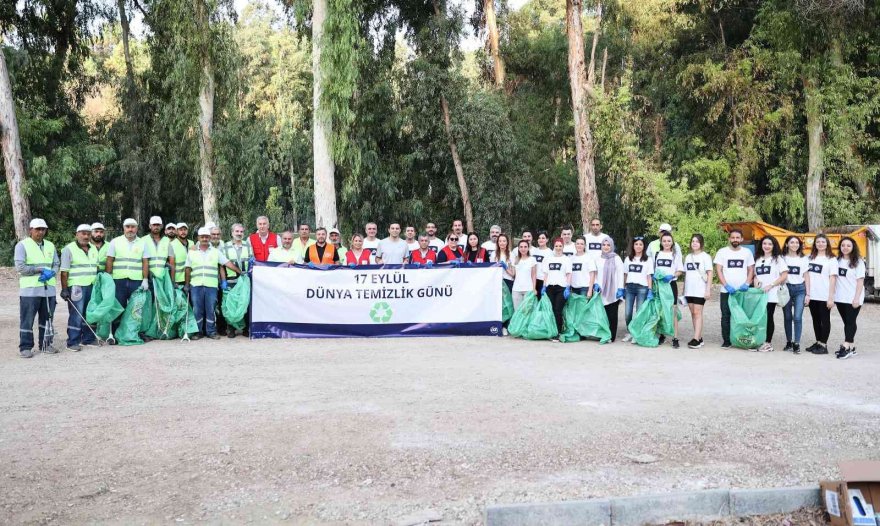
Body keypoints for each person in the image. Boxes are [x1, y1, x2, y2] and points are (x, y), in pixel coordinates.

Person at [184, 227, 241, 340]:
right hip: (196, 285)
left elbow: (227, 263)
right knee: (197, 309)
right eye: (202, 237)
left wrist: (240, 272)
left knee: (211, 309)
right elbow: (187, 269)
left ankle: (211, 331)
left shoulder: (216, 252)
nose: (204, 239)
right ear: (198, 238)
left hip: (211, 285)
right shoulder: (192, 252)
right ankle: (198, 332)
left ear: (209, 238)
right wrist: (187, 284)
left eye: (206, 237)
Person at [15, 218, 61, 358]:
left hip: (48, 290)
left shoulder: (50, 245)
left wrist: (52, 272)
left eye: (43, 229)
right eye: (37, 229)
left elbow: (56, 263)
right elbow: (20, 267)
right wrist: (40, 270)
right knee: (27, 320)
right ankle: (25, 347)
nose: (40, 232)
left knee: (47, 319)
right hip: (30, 290)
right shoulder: (22, 245)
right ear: (31, 230)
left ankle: (46, 344)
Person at [714, 228, 756, 349]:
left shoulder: (747, 252)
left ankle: (743, 339)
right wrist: (726, 285)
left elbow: (751, 269)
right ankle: (727, 340)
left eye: (737, 238)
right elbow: (719, 270)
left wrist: (747, 283)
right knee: (726, 315)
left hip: (742, 291)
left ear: (742, 239)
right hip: (726, 291)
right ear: (729, 239)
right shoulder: (722, 252)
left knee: (742, 315)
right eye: (733, 237)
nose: (735, 240)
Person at [60, 224, 99, 352]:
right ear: (76, 234)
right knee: (76, 314)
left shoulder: (93, 249)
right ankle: (72, 342)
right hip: (76, 286)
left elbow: (95, 268)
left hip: (91, 285)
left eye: (88, 234)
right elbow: (64, 272)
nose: (86, 236)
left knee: (90, 312)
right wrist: (65, 289)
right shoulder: (68, 249)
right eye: (83, 233)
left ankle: (88, 339)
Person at [105, 218, 150, 323]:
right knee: (118, 307)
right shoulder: (115, 242)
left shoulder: (142, 243)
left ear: (137, 229)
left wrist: (145, 279)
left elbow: (145, 262)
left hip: (136, 280)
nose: (130, 229)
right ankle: (116, 333)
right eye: (128, 227)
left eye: (133, 227)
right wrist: (108, 277)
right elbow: (110, 260)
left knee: (136, 308)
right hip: (118, 280)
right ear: (123, 228)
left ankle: (134, 333)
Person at [753, 236, 789, 353]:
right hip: (759, 293)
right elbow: (755, 274)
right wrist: (755, 280)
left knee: (768, 317)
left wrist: (771, 285)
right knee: (759, 317)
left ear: (774, 246)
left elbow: (784, 275)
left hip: (771, 294)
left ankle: (768, 343)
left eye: (770, 244)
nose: (767, 246)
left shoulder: (778, 259)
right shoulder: (758, 258)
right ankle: (759, 340)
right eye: (765, 244)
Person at [806, 234, 837, 355]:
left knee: (825, 320)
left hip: (824, 295)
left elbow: (833, 278)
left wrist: (831, 297)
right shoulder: (810, 258)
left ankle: (824, 345)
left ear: (827, 244)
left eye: (823, 242)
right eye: (818, 242)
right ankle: (818, 342)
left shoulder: (831, 259)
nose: (820, 244)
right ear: (815, 244)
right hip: (812, 295)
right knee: (815, 320)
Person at [834, 237, 864, 360]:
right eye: (843, 245)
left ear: (853, 247)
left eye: (848, 245)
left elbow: (860, 281)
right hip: (840, 298)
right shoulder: (837, 261)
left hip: (853, 298)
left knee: (850, 322)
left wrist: (856, 298)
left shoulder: (858, 262)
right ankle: (852, 347)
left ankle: (846, 346)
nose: (845, 247)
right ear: (840, 247)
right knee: (848, 322)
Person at [653, 232, 684, 348]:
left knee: (673, 310)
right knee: (660, 310)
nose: (666, 243)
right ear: (661, 242)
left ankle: (675, 337)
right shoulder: (657, 254)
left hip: (670, 285)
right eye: (664, 241)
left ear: (672, 242)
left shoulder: (675, 255)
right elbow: (654, 270)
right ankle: (662, 334)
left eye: (669, 241)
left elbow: (680, 270)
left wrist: (672, 275)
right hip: (659, 286)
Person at [683, 234, 713, 349]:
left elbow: (710, 273)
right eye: (693, 241)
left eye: (697, 241)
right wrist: (684, 291)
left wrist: (708, 290)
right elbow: (686, 275)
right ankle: (699, 337)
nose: (694, 243)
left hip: (700, 290)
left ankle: (695, 339)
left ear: (701, 243)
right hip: (689, 290)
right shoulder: (688, 257)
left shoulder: (705, 257)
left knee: (697, 312)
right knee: (692, 313)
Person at [222, 223, 251, 338]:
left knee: (244, 304)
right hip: (231, 280)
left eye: (241, 232)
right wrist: (223, 281)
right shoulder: (225, 247)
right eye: (237, 231)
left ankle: (245, 328)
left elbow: (251, 262)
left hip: (244, 280)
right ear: (232, 232)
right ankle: (231, 328)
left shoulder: (248, 246)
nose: (239, 234)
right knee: (230, 305)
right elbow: (221, 266)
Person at [622, 236, 654, 342]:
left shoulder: (648, 260)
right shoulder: (628, 259)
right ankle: (630, 332)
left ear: (644, 246)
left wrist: (650, 290)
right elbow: (625, 274)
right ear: (633, 246)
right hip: (629, 288)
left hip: (642, 288)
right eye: (636, 244)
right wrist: (622, 287)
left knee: (639, 312)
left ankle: (637, 333)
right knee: (627, 313)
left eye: (641, 244)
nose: (638, 246)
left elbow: (649, 276)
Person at [782, 235, 810, 354]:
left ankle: (796, 343)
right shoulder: (782, 258)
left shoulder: (803, 258)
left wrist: (808, 294)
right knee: (787, 317)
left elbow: (806, 276)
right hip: (786, 288)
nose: (794, 244)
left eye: (797, 243)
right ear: (787, 244)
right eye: (792, 242)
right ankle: (789, 341)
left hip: (800, 289)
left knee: (797, 317)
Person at [541, 238, 572, 341]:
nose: (558, 248)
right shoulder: (548, 259)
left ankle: (558, 332)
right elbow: (545, 274)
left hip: (561, 288)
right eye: (556, 246)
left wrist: (568, 287)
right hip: (550, 287)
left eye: (560, 246)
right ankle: (551, 330)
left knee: (558, 310)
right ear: (553, 247)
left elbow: (569, 274)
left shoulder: (566, 259)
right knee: (551, 310)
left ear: (563, 247)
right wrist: (544, 286)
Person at [596, 236, 625, 342]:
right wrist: (596, 284)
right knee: (602, 314)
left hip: (613, 291)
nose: (606, 247)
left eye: (608, 245)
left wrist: (620, 288)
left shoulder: (616, 258)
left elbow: (620, 274)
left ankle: (611, 336)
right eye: (604, 245)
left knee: (612, 314)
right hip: (601, 291)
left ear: (612, 246)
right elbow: (596, 274)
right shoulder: (598, 258)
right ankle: (603, 333)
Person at [511, 240, 537, 310]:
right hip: (516, 290)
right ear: (518, 248)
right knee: (517, 312)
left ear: (528, 248)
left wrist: (534, 288)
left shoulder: (532, 259)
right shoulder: (515, 260)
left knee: (527, 312)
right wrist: (505, 267)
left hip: (528, 289)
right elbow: (513, 274)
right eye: (521, 247)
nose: (523, 249)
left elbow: (534, 275)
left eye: (525, 247)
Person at [532, 231, 552, 297]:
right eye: (539, 238)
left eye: (543, 238)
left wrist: (545, 284)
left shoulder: (550, 252)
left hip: (543, 280)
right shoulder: (534, 251)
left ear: (547, 240)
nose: (541, 240)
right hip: (533, 280)